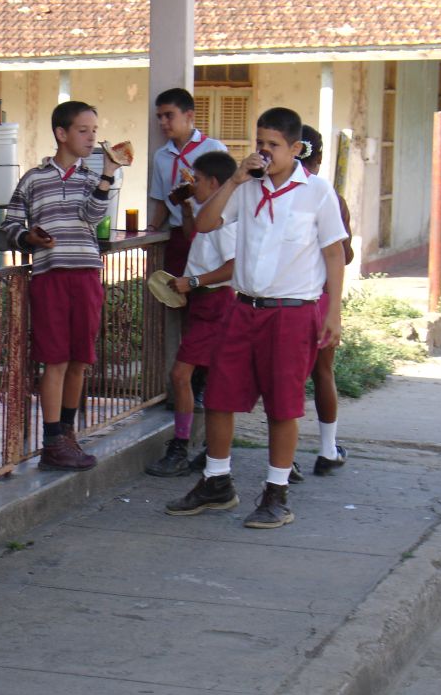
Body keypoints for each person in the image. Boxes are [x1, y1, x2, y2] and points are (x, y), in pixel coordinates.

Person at [165, 107, 347, 528]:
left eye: (274, 145)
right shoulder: (246, 189)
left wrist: (333, 310)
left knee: (282, 406)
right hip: (242, 307)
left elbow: (334, 253)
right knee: (221, 397)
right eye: (260, 143)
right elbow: (206, 224)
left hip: (292, 312)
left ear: (296, 149)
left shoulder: (317, 192)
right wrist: (233, 180)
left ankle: (276, 492)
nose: (264, 152)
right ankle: (216, 482)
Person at [1, 101, 123, 471]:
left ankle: (67, 433)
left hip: (86, 274)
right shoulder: (33, 179)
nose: (92, 138)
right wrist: (29, 238)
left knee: (80, 359)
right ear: (62, 133)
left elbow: (93, 216)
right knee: (55, 359)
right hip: (50, 277)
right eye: (84, 130)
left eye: (95, 131)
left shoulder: (94, 179)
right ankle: (53, 439)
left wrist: (107, 176)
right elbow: (10, 225)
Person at [145, 151, 237, 477]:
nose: (192, 184)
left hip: (217, 303)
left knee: (181, 376)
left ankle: (181, 446)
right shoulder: (205, 212)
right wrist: (185, 209)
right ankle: (213, 449)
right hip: (202, 303)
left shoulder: (225, 219)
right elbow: (193, 237)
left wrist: (194, 281)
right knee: (211, 381)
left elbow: (232, 267)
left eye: (197, 180)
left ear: (214, 182)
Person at [296, 124, 354, 476]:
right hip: (321, 298)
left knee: (284, 380)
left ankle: (284, 463)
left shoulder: (274, 193)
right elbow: (343, 255)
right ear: (319, 157)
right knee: (322, 373)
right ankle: (327, 448)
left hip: (289, 297)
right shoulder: (330, 196)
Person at [147, 88, 227, 276]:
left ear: (189, 115)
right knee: (174, 294)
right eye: (159, 117)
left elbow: (227, 194)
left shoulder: (213, 148)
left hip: (208, 233)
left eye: (169, 115)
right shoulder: (161, 156)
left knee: (207, 292)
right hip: (178, 234)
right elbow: (161, 201)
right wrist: (151, 230)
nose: (163, 122)